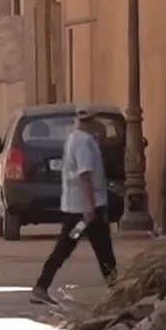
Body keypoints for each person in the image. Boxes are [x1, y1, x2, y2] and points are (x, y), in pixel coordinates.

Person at [29, 107, 119, 305]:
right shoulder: (84, 142)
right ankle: (116, 289)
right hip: (85, 211)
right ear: (90, 122)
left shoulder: (74, 139)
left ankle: (42, 286)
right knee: (95, 248)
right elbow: (85, 174)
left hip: (76, 209)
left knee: (79, 246)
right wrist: (90, 206)